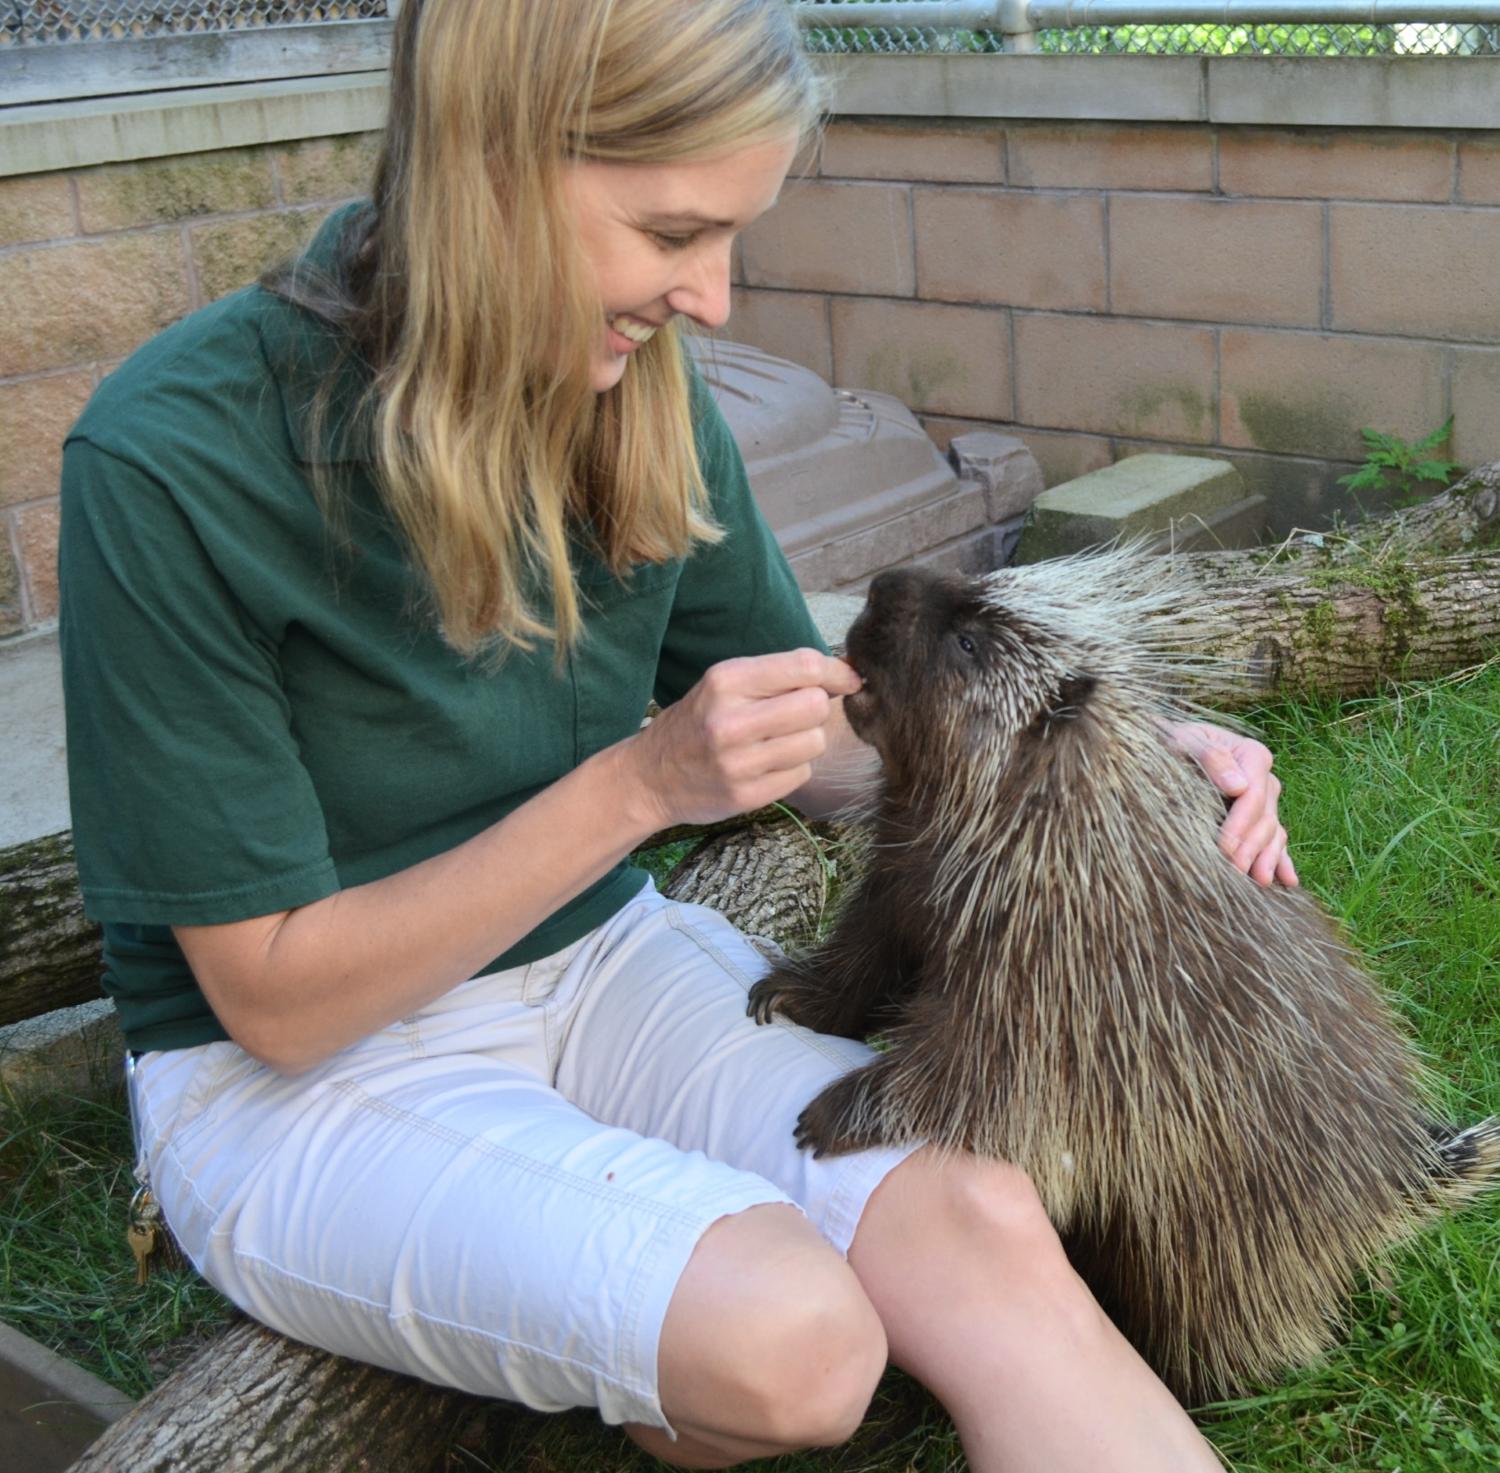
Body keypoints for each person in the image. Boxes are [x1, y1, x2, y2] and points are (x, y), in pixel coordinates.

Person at [58, 2, 1295, 1468]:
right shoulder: (167, 458)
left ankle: (639, 1305)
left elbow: (829, 738)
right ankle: (664, 1320)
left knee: (981, 1214)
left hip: (594, 961)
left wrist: (1115, 763)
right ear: (494, 169)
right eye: (671, 233)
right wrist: (640, 784)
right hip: (300, 1071)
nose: (710, 299)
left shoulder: (635, 392)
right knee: (804, 1340)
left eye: (733, 239)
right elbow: (277, 1000)